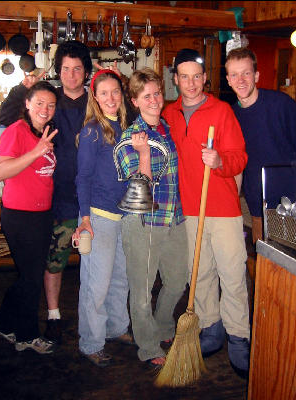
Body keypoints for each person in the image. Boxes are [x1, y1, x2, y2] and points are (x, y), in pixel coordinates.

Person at [0, 41, 93, 344]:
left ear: (86, 72)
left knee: (99, 264)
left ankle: (95, 321)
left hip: (93, 196)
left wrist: (118, 85)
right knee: (51, 263)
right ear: (58, 71)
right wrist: (20, 88)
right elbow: (7, 118)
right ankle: (52, 316)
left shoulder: (98, 101)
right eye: (65, 68)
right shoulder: (48, 101)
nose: (71, 74)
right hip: (53, 201)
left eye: (78, 69)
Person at [162, 48, 250, 378]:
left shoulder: (221, 110)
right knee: (198, 274)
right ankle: (212, 327)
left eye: (196, 76)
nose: (191, 83)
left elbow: (240, 157)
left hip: (224, 209)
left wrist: (220, 161)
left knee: (232, 274)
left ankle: (239, 336)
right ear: (176, 80)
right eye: (184, 77)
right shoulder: (169, 115)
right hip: (189, 209)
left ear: (205, 79)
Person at [116, 68, 188, 368]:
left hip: (175, 218)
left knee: (177, 282)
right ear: (134, 101)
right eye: (147, 96)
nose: (155, 100)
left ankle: (162, 326)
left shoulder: (168, 128)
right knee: (142, 291)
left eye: (157, 93)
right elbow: (139, 187)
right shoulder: (131, 137)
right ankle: (147, 345)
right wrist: (144, 153)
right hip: (144, 222)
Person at [225, 47, 296, 244]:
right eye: (234, 75)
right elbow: (236, 163)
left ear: (257, 75)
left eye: (246, 73)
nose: (241, 80)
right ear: (228, 80)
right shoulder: (231, 115)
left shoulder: (280, 104)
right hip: (258, 207)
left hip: (291, 207)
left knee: (291, 267)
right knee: (265, 266)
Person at [0, 81, 59, 354]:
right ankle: (27, 336)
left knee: (29, 276)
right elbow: (0, 172)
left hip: (42, 214)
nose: (45, 108)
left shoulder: (47, 132)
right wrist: (35, 153)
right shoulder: (16, 131)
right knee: (31, 278)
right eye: (39, 102)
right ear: (28, 103)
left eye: (51, 104)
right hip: (19, 215)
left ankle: (4, 321)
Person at [72, 69, 133, 367]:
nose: (111, 98)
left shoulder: (125, 127)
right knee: (96, 284)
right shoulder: (92, 130)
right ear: (94, 97)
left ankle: (117, 327)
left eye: (115, 92)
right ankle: (91, 342)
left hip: (124, 216)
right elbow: (82, 178)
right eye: (104, 93)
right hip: (98, 216)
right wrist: (84, 219)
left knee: (121, 279)